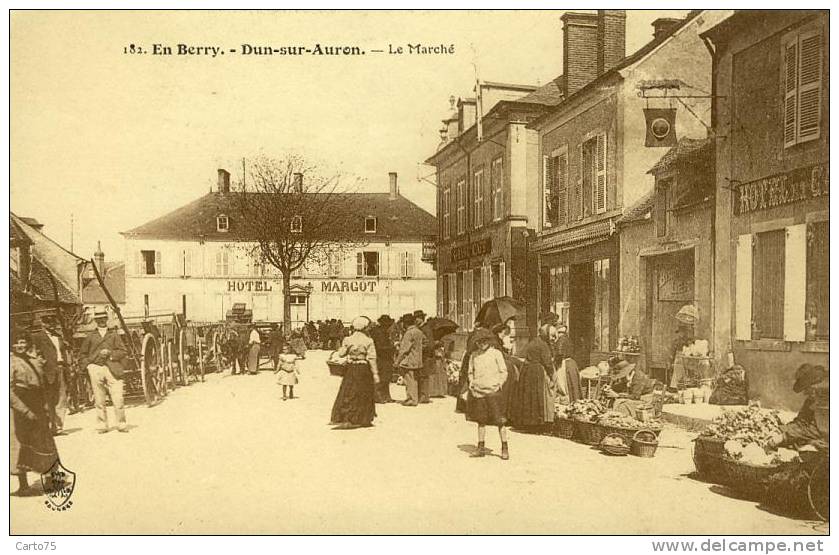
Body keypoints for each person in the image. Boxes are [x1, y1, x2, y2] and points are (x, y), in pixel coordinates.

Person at [11, 330, 60, 496]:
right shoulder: (9, 362)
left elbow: (42, 385)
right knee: (20, 445)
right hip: (19, 408)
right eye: (16, 342)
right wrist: (24, 410)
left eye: (23, 341)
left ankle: (51, 481)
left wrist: (45, 406)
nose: (20, 345)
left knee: (44, 441)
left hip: (37, 404)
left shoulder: (33, 360)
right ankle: (23, 485)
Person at [78, 310, 129, 433]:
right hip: (96, 368)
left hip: (113, 368)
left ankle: (121, 424)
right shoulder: (90, 336)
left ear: (106, 319)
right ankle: (102, 425)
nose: (101, 321)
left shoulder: (114, 335)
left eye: (103, 318)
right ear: (95, 321)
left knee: (118, 398)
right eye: (98, 319)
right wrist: (89, 366)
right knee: (99, 399)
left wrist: (111, 354)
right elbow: (82, 355)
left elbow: (123, 351)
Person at [463, 329, 510, 460]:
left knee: (500, 421)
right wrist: (472, 383)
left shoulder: (496, 354)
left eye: (484, 342)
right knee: (481, 421)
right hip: (478, 392)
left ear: (489, 341)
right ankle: (481, 447)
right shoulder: (474, 355)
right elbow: (470, 372)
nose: (481, 344)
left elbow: (503, 371)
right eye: (478, 342)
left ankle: (504, 447)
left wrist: (499, 383)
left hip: (493, 392)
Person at [329, 316, 379, 429]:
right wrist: (375, 373)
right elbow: (372, 358)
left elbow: (341, 354)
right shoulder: (368, 341)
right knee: (364, 392)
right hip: (363, 368)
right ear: (365, 327)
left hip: (351, 368)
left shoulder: (348, 339)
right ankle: (363, 418)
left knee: (348, 391)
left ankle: (346, 417)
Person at [767, 364, 828, 450]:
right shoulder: (811, 400)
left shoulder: (826, 404)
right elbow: (802, 421)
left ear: (816, 386)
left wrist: (785, 437)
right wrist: (781, 430)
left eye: (807, 388)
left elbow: (818, 430)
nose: (805, 393)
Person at [507, 324, 555, 429]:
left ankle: (525, 421)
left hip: (527, 370)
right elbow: (547, 363)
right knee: (536, 396)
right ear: (545, 335)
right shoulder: (543, 345)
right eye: (552, 336)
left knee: (526, 396)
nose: (553, 339)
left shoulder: (534, 341)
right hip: (536, 372)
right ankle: (536, 423)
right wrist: (552, 375)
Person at [31, 315, 70, 435]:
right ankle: (49, 426)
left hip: (60, 368)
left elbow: (64, 352)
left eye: (52, 323)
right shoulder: (37, 337)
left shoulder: (58, 336)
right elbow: (34, 353)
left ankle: (58, 427)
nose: (50, 325)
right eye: (47, 323)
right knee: (48, 400)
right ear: (42, 324)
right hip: (47, 371)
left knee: (61, 398)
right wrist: (40, 364)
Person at [394, 314, 427, 406]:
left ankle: (412, 399)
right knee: (414, 379)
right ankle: (413, 398)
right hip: (418, 359)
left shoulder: (409, 333)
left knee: (409, 380)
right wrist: (418, 350)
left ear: (405, 323)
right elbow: (425, 342)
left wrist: (397, 362)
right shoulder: (419, 331)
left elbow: (404, 350)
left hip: (409, 360)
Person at [370, 315, 396, 403]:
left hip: (384, 357)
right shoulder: (379, 332)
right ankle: (379, 397)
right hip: (382, 358)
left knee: (386, 377)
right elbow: (380, 347)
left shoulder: (381, 331)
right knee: (382, 377)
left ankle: (386, 396)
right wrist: (392, 348)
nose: (389, 325)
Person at [414, 310, 432, 403]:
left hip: (425, 356)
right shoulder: (420, 328)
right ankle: (421, 395)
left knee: (424, 376)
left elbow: (429, 344)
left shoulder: (426, 329)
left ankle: (424, 397)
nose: (416, 320)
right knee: (420, 375)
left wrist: (420, 348)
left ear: (421, 318)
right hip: (420, 355)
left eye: (417, 318)